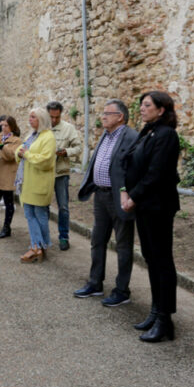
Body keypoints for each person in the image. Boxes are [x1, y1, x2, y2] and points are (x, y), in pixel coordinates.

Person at [122, 91, 182, 343]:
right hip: (144, 206)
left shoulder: (167, 135)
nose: (142, 109)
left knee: (161, 261)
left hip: (158, 206)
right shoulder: (148, 132)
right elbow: (131, 164)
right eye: (141, 105)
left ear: (161, 110)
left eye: (147, 105)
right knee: (151, 258)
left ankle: (165, 320)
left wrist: (133, 196)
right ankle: (156, 311)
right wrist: (126, 190)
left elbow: (156, 172)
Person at [74, 99, 139, 308]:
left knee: (123, 245)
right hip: (101, 196)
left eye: (107, 113)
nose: (103, 116)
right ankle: (95, 283)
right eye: (103, 113)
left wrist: (127, 194)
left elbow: (135, 169)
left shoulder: (131, 137)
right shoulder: (106, 134)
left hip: (119, 197)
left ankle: (122, 290)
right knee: (97, 240)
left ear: (120, 116)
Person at [15, 107, 56, 262]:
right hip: (28, 182)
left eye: (33, 117)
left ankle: (36, 247)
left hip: (39, 183)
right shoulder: (32, 135)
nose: (30, 119)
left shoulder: (48, 137)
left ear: (41, 119)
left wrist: (25, 154)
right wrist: (20, 153)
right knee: (31, 215)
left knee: (38, 216)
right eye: (30, 116)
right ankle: (41, 246)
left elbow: (45, 160)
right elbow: (21, 147)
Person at [47, 102, 82, 251]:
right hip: (44, 173)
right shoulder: (41, 127)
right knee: (42, 206)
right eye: (51, 117)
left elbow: (78, 147)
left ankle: (63, 237)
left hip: (61, 173)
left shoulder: (69, 128)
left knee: (63, 207)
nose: (54, 120)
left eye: (57, 117)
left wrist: (66, 151)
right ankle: (44, 236)